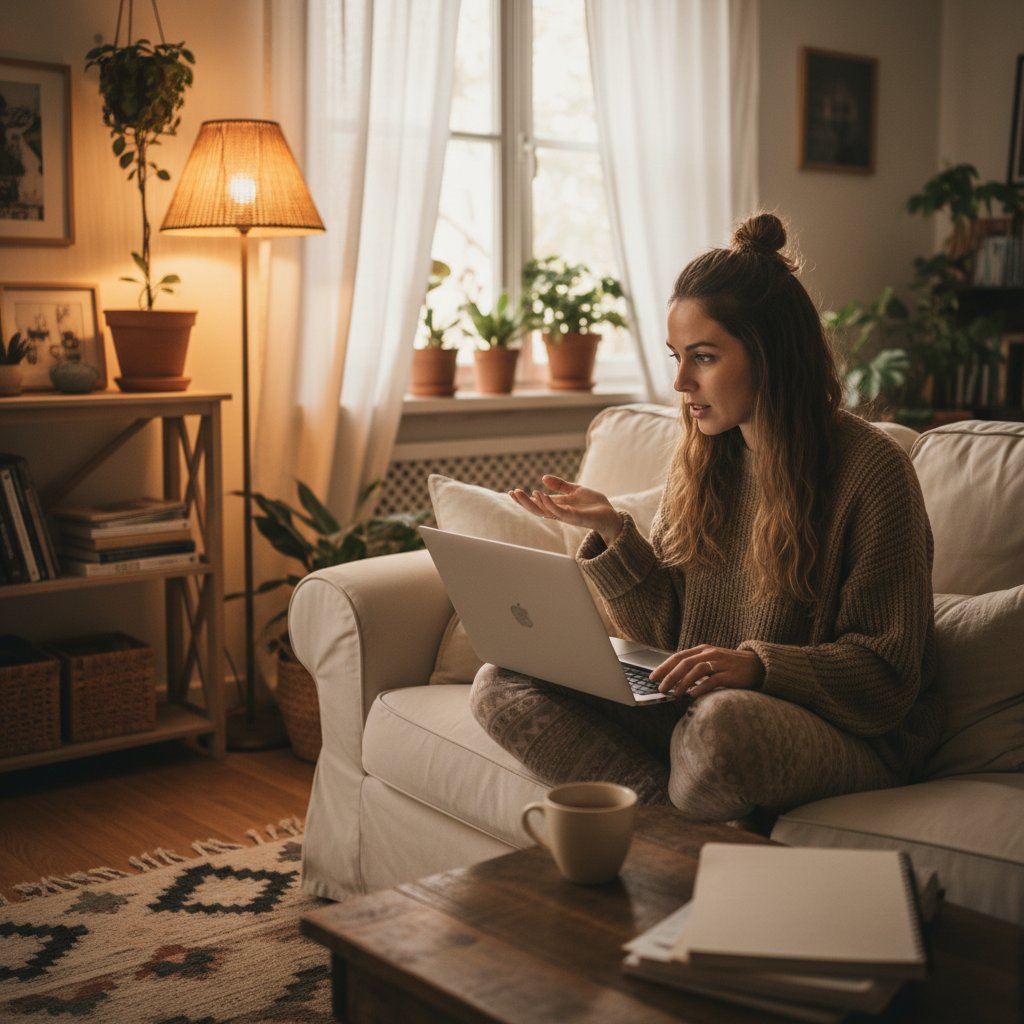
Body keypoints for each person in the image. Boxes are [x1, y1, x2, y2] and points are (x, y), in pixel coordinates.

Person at [469, 212, 942, 827]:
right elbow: (667, 641)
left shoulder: (871, 472)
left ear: (772, 355)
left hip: (845, 732)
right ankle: (669, 824)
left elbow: (886, 674)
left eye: (704, 357)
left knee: (722, 725)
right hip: (701, 709)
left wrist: (760, 665)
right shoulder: (705, 459)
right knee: (503, 681)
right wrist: (615, 534)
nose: (681, 382)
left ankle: (673, 812)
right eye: (677, 357)